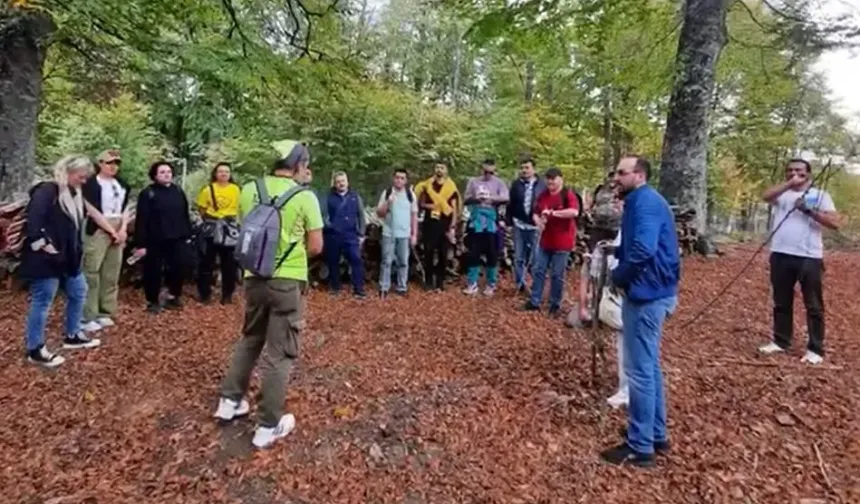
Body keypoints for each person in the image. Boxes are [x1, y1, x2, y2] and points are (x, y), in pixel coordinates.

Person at [214, 143, 323, 449]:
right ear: (298, 164)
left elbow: (245, 226)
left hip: (253, 278)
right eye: (306, 163)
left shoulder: (249, 189)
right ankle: (267, 425)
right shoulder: (305, 197)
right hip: (287, 282)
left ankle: (229, 401)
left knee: (250, 338)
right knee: (280, 352)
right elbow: (316, 246)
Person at [599, 155, 679, 467]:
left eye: (622, 172)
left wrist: (619, 277)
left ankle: (640, 446)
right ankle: (655, 433)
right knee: (650, 367)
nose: (616, 177)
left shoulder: (645, 202)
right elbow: (640, 243)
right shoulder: (643, 200)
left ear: (640, 175)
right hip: (655, 290)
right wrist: (616, 250)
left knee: (639, 370)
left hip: (647, 295)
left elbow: (644, 249)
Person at [20, 156, 112, 366]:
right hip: (46, 261)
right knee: (42, 302)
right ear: (69, 172)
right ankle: (35, 349)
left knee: (79, 291)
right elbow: (34, 225)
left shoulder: (74, 194)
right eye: (81, 176)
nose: (84, 180)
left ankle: (72, 335)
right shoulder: (47, 191)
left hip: (68, 260)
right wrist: (48, 249)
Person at [758, 159, 840, 364]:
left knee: (813, 304)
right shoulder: (782, 194)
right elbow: (765, 196)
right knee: (781, 300)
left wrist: (808, 210)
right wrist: (789, 184)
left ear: (808, 174)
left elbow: (834, 223)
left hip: (809, 256)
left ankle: (815, 349)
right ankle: (781, 340)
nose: (794, 174)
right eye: (790, 170)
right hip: (780, 253)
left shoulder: (821, 195)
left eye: (799, 171)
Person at [80, 149, 131, 333]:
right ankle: (87, 314)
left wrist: (123, 229)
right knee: (92, 270)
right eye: (109, 163)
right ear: (100, 163)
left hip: (118, 225)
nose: (113, 166)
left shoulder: (122, 184)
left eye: (116, 163)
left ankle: (105, 311)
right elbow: (92, 210)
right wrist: (111, 231)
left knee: (111, 271)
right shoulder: (91, 184)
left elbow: (126, 208)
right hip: (99, 227)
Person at [132, 161, 193, 313]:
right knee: (153, 270)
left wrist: (188, 234)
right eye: (162, 172)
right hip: (155, 239)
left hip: (177, 238)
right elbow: (142, 219)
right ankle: (152, 301)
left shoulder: (178, 191)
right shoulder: (148, 193)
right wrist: (141, 243)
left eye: (168, 172)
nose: (166, 175)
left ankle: (173, 296)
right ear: (155, 175)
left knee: (178, 267)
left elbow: (185, 214)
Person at [522, 167, 579, 317]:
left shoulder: (568, 194)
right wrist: (538, 222)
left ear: (561, 179)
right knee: (538, 270)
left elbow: (574, 212)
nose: (550, 181)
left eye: (553, 178)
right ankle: (535, 301)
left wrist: (553, 213)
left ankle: (555, 304)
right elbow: (535, 212)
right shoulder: (543, 195)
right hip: (545, 240)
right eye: (548, 179)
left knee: (557, 274)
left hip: (563, 242)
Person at [579, 173, 623, 323]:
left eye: (614, 178)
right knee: (590, 266)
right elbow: (591, 206)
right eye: (609, 178)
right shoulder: (600, 190)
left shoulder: (621, 192)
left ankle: (608, 305)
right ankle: (586, 307)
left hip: (616, 230)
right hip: (598, 229)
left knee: (611, 267)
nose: (611, 181)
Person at [196, 162, 241, 304]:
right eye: (221, 171)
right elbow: (202, 209)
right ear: (215, 173)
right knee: (206, 262)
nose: (224, 174)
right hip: (212, 226)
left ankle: (227, 294)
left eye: (227, 172)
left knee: (230, 264)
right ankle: (205, 294)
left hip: (230, 228)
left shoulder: (236, 189)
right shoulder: (208, 190)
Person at [463, 158, 509, 296]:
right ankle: (472, 283)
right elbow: (466, 199)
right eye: (485, 171)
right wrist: (476, 199)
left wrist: (492, 199)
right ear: (481, 169)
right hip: (476, 221)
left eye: (491, 172)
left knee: (492, 254)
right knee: (473, 253)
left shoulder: (499, 183)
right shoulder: (473, 182)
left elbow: (506, 198)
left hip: (491, 223)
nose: (488, 174)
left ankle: (491, 284)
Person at [414, 159, 460, 291]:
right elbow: (421, 204)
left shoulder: (451, 187)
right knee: (428, 252)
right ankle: (428, 282)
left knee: (443, 254)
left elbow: (454, 208)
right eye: (437, 167)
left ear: (446, 171)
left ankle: (440, 282)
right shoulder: (427, 185)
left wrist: (452, 226)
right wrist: (433, 205)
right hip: (430, 223)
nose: (439, 170)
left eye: (442, 168)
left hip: (444, 223)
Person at [322, 171, 367, 298]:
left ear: (347, 182)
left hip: (351, 235)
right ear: (334, 184)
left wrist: (362, 234)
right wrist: (329, 226)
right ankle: (335, 288)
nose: (341, 184)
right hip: (333, 235)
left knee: (356, 260)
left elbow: (361, 215)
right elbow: (323, 215)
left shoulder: (355, 196)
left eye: (343, 181)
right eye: (338, 181)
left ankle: (358, 289)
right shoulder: (328, 197)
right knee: (333, 262)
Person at [506, 153, 545, 294]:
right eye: (522, 168)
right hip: (519, 224)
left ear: (533, 169)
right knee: (519, 256)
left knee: (535, 257)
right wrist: (508, 221)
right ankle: (520, 284)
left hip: (535, 226)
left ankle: (536, 285)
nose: (524, 170)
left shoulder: (542, 185)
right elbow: (511, 203)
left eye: (527, 168)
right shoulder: (516, 185)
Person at [376, 168, 418, 297]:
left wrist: (414, 234)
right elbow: (380, 213)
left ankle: (401, 287)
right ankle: (384, 287)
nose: (399, 180)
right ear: (393, 179)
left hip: (404, 234)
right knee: (386, 261)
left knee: (403, 261)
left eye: (402, 178)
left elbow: (414, 215)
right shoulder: (387, 193)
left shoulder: (410, 195)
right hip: (389, 233)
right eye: (397, 177)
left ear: (405, 180)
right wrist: (388, 203)